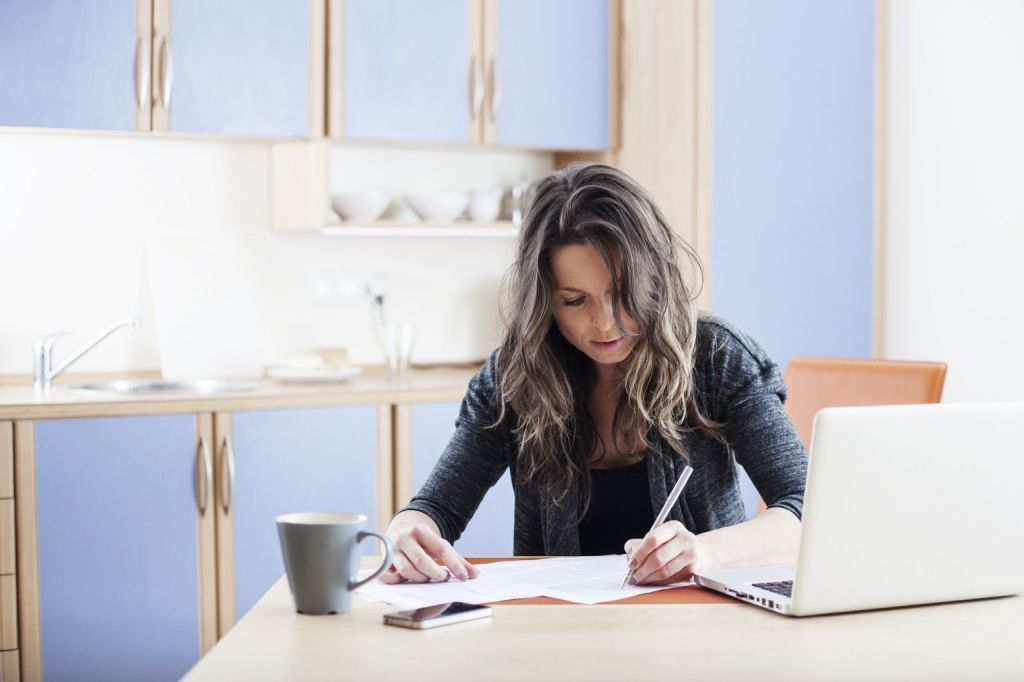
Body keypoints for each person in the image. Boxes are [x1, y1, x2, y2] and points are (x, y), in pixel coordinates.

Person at [381, 163, 807, 586]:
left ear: (654, 282)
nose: (604, 324)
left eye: (622, 295)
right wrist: (405, 535)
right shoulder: (514, 376)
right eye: (574, 301)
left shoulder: (717, 358)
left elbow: (808, 508)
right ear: (544, 301)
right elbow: (436, 509)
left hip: (699, 631)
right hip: (561, 634)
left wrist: (704, 551)